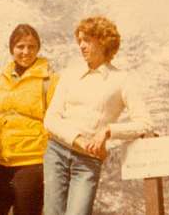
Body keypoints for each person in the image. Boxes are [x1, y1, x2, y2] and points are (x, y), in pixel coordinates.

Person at [44, 16, 153, 215]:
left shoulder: (122, 80)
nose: (82, 46)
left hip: (87, 162)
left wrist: (109, 130)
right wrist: (80, 141)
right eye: (79, 41)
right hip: (56, 154)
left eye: (87, 40)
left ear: (103, 41)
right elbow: (50, 119)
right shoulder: (69, 74)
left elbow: (145, 123)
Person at [0, 24, 58, 215]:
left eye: (31, 47)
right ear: (12, 48)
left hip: (31, 163)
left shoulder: (49, 80)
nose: (26, 52)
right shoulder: (0, 78)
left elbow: (54, 119)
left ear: (38, 48)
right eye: (20, 46)